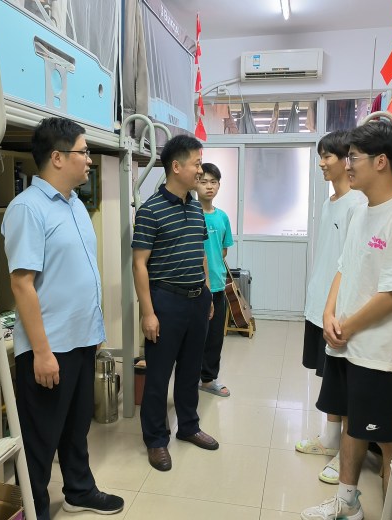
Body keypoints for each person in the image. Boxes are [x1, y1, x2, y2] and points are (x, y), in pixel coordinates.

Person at [301, 121, 392, 520]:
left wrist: (348, 326)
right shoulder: (363, 212)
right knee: (353, 427)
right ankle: (347, 503)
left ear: (381, 161)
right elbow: (344, 267)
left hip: (382, 356)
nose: (347, 164)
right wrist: (329, 313)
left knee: (390, 442)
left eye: (353, 157)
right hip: (347, 345)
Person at [2, 117, 124, 519]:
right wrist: (41, 352)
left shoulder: (74, 205)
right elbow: (22, 284)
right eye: (83, 152)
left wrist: (95, 330)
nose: (89, 160)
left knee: (76, 426)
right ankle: (34, 509)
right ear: (57, 157)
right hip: (50, 346)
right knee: (40, 437)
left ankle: (79, 490)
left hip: (82, 339)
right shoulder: (28, 208)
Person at [132, 135, 219, 473]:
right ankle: (156, 439)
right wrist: (148, 312)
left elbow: (200, 252)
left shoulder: (195, 206)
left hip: (197, 299)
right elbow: (139, 264)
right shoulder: (150, 210)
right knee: (158, 375)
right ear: (176, 167)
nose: (200, 170)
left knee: (190, 370)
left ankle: (189, 426)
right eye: (196, 164)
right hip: (165, 301)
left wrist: (207, 292)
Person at [295, 131, 365, 486]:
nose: (321, 162)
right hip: (319, 303)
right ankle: (330, 439)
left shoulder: (358, 203)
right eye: (320, 155)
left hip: (338, 308)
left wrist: (336, 308)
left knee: (344, 381)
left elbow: (352, 264)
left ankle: (346, 453)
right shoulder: (330, 202)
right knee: (329, 377)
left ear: (347, 159)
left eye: (328, 156)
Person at [195, 163, 235, 398]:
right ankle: (190, 377)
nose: (209, 187)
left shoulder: (222, 217)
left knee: (214, 337)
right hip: (195, 286)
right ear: (196, 184)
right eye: (204, 182)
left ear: (219, 185)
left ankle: (208, 379)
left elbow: (223, 250)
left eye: (213, 182)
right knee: (194, 337)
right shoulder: (191, 213)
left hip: (218, 285)